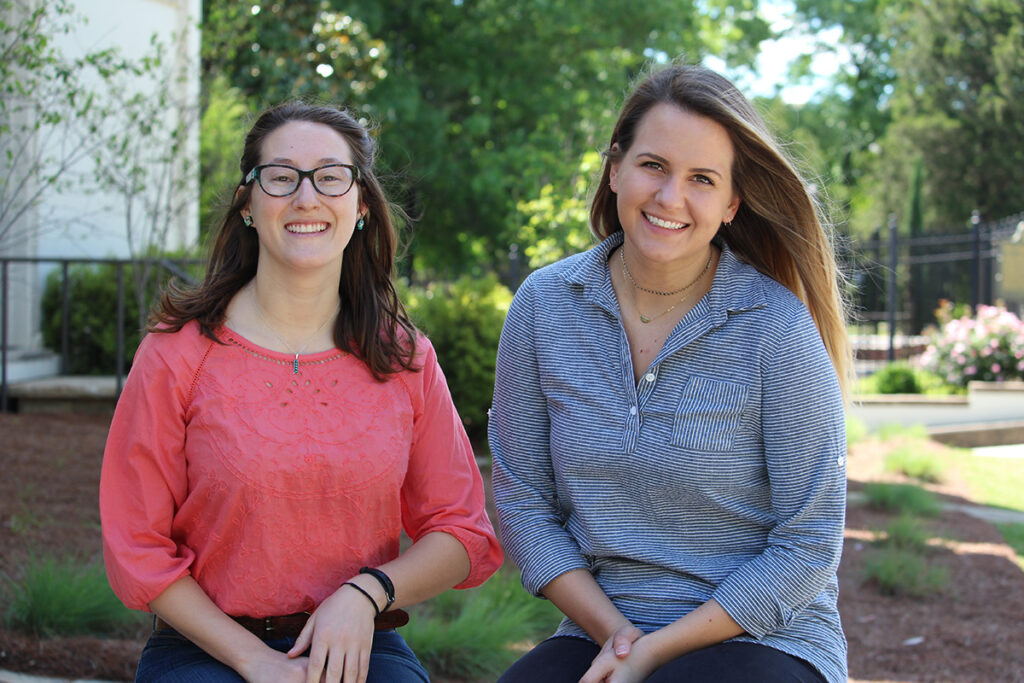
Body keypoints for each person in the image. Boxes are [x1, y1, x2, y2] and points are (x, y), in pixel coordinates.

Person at [100, 102, 502, 683]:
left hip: (360, 643)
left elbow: (462, 532)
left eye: (331, 177)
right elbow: (137, 543)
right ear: (248, 205)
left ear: (361, 204)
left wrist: (367, 594)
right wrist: (253, 661)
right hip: (205, 648)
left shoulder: (405, 359)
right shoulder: (178, 353)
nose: (306, 197)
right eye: (281, 177)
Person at [489, 63, 852, 683]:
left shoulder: (776, 328)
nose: (670, 197)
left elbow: (810, 539)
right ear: (615, 169)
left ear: (732, 204)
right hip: (603, 628)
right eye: (653, 165)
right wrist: (622, 639)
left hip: (765, 636)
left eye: (702, 179)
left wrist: (656, 656)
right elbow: (524, 500)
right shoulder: (543, 307)